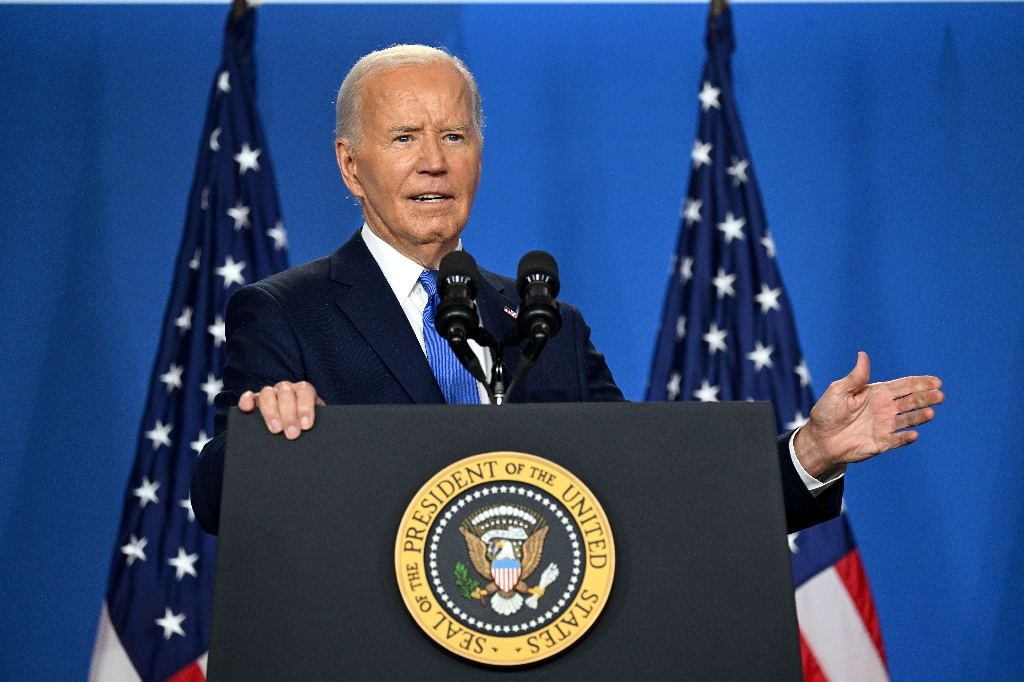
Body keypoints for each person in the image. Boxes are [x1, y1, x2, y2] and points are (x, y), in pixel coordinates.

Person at [191, 45, 943, 536]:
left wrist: (809, 454)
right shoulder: (285, 311)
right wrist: (265, 440)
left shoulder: (547, 326)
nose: (433, 163)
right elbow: (216, 498)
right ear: (351, 167)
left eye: (454, 137)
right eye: (403, 139)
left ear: (480, 155)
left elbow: (651, 493)